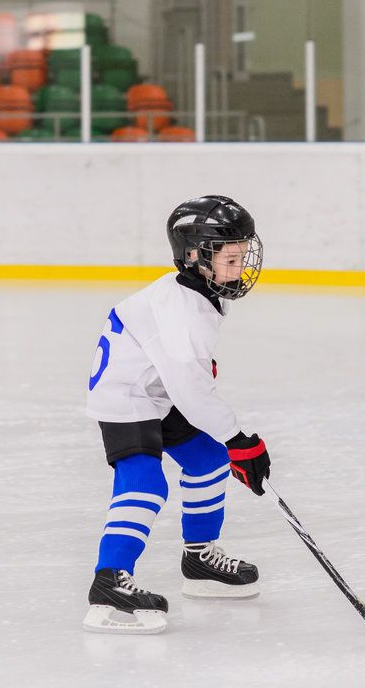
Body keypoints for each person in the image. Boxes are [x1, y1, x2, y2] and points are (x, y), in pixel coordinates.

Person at [82, 195, 272, 634]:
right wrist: (240, 438)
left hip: (158, 390)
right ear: (194, 256)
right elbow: (190, 386)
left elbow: (184, 372)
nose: (240, 268)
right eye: (230, 258)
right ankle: (108, 580)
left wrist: (227, 440)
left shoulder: (198, 290)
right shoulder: (181, 309)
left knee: (207, 462)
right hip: (126, 395)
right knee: (145, 481)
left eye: (242, 256)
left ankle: (200, 558)